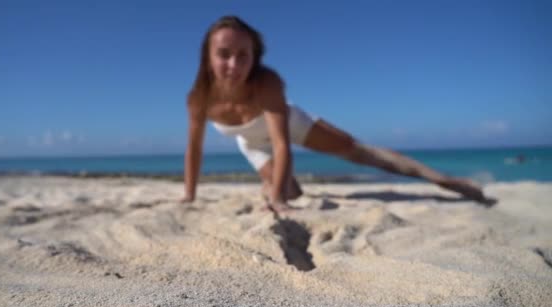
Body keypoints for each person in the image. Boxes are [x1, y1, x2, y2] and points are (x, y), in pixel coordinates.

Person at [182, 15, 490, 212]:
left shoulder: (267, 83)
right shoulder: (199, 98)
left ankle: (446, 181)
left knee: (358, 152)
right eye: (224, 54)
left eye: (243, 55)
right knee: (291, 192)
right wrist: (189, 196)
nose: (234, 65)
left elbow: (280, 142)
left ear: (254, 57)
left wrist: (275, 201)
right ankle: (278, 186)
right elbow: (194, 150)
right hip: (251, 144)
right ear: (208, 57)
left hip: (290, 126)